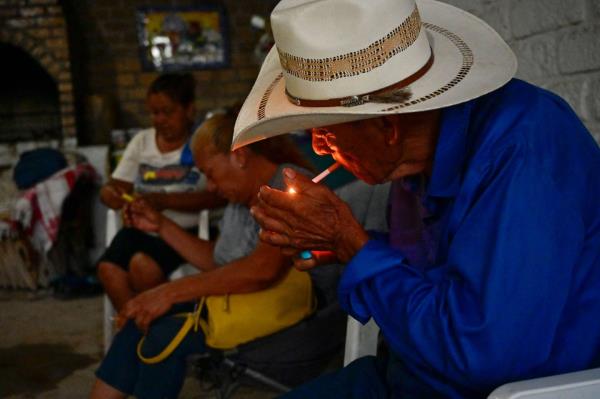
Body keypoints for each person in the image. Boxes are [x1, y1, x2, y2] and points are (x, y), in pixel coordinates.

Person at [232, 0, 600, 397]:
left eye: (324, 131)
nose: (319, 149)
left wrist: (350, 243)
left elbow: (480, 356)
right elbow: (438, 270)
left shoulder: (524, 149)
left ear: (387, 126)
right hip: (408, 375)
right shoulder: (410, 166)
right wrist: (344, 246)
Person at [90, 109, 316, 399]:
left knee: (163, 333)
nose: (210, 187)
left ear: (240, 156)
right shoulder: (240, 199)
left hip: (290, 315)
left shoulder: (288, 186)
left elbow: (263, 270)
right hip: (240, 301)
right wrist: (160, 225)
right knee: (140, 321)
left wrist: (169, 293)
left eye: (210, 173)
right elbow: (219, 261)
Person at [97, 73, 225, 312]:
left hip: (186, 231)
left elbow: (218, 197)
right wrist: (109, 194)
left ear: (189, 110)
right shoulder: (141, 142)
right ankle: (136, 333)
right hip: (138, 230)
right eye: (155, 113)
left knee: (142, 267)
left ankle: (162, 334)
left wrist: (164, 201)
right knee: (107, 269)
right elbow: (115, 187)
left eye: (168, 112)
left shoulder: (202, 143)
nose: (160, 120)